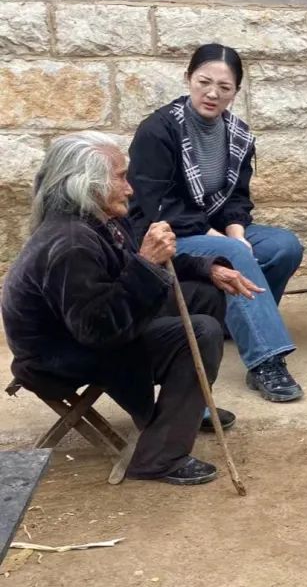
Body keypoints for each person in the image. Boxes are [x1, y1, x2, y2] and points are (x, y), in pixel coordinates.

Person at [2, 133, 260, 485]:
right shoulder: (71, 243)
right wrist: (147, 264)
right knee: (200, 333)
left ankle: (188, 401)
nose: (130, 189)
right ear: (87, 184)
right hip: (60, 355)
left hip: (95, 325)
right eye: (121, 177)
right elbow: (98, 330)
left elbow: (128, 270)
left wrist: (207, 268)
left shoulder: (99, 218)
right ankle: (158, 458)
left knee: (203, 294)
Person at [127, 43, 305, 403]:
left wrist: (237, 232)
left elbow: (237, 197)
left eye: (224, 87)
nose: (212, 94)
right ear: (188, 79)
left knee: (283, 246)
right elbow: (158, 203)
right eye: (204, 82)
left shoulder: (237, 134)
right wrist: (222, 239)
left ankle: (237, 323)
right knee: (232, 252)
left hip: (214, 230)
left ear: (236, 91)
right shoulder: (158, 130)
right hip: (164, 234)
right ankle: (266, 361)